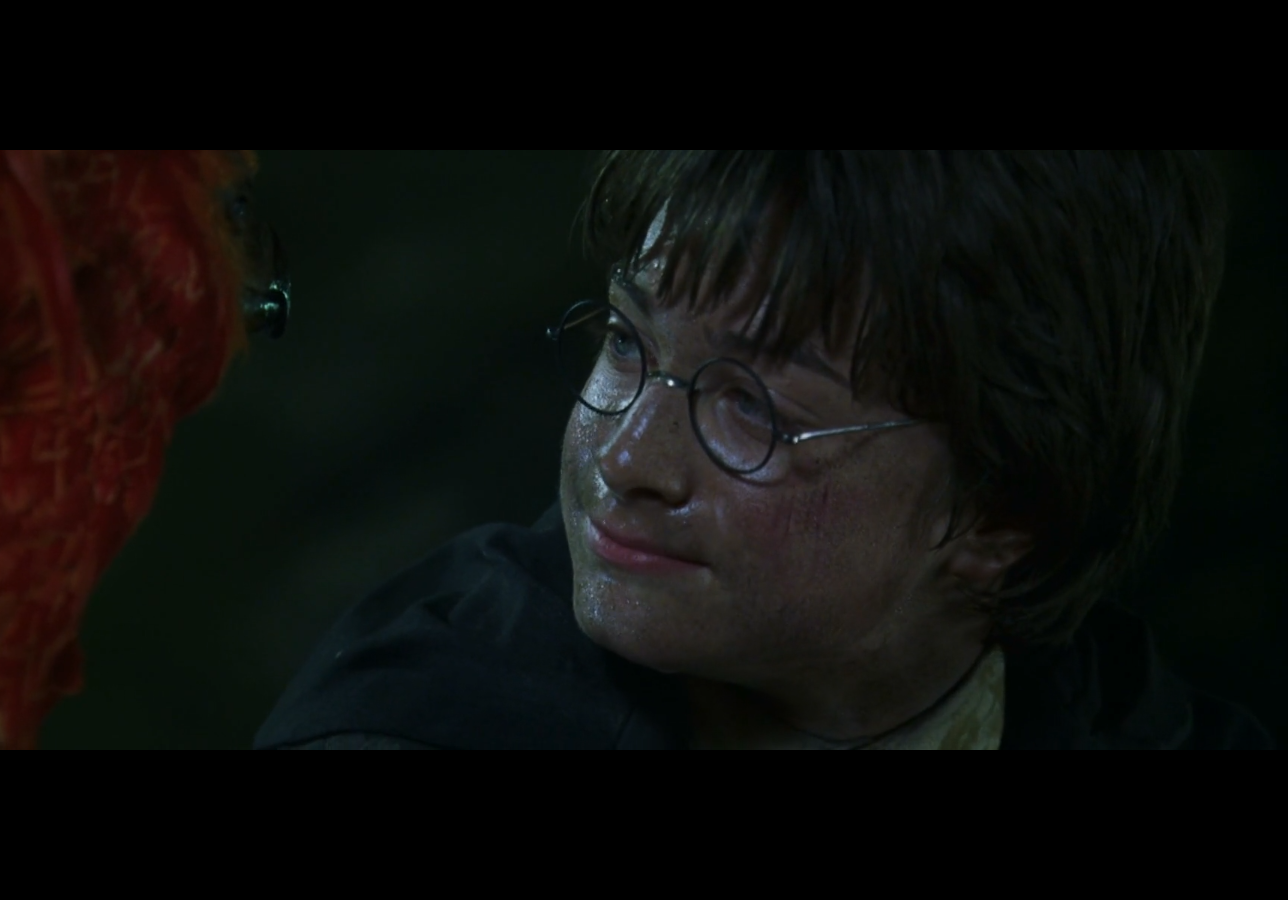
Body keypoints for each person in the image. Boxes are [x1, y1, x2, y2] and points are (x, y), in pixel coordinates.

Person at [255, 151, 1272, 749]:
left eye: (753, 409)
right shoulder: (417, 715)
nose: (628, 459)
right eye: (626, 342)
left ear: (1003, 515)